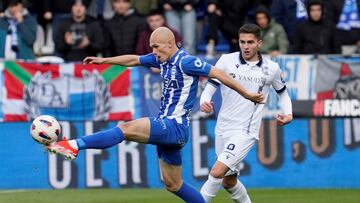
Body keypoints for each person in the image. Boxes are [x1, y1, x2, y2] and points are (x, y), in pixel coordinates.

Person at [46, 27, 264, 203]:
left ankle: (74, 145)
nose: (154, 51)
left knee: (125, 128)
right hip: (172, 130)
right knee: (173, 184)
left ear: (170, 44)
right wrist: (103, 61)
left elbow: (217, 73)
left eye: (157, 47)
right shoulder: (162, 59)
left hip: (173, 125)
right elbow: (134, 60)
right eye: (152, 48)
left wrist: (246, 93)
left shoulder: (185, 61)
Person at [199, 23, 293, 203]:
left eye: (250, 42)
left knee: (216, 172)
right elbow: (210, 87)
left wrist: (288, 113)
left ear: (259, 43)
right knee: (229, 181)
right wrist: (204, 101)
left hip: (245, 131)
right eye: (242, 42)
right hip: (223, 128)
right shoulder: (226, 60)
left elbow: (283, 93)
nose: (246, 46)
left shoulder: (271, 68)